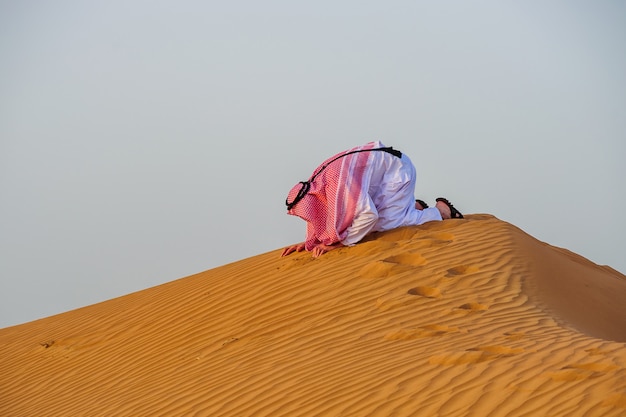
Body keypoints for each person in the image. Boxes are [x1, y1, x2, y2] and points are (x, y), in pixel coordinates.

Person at [282, 141, 463, 258]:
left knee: (386, 224)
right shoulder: (320, 184)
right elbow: (320, 218)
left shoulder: (337, 183)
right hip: (381, 178)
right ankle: (411, 207)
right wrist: (310, 243)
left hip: (397, 171)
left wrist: (339, 245)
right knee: (363, 225)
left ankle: (440, 212)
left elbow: (369, 215)